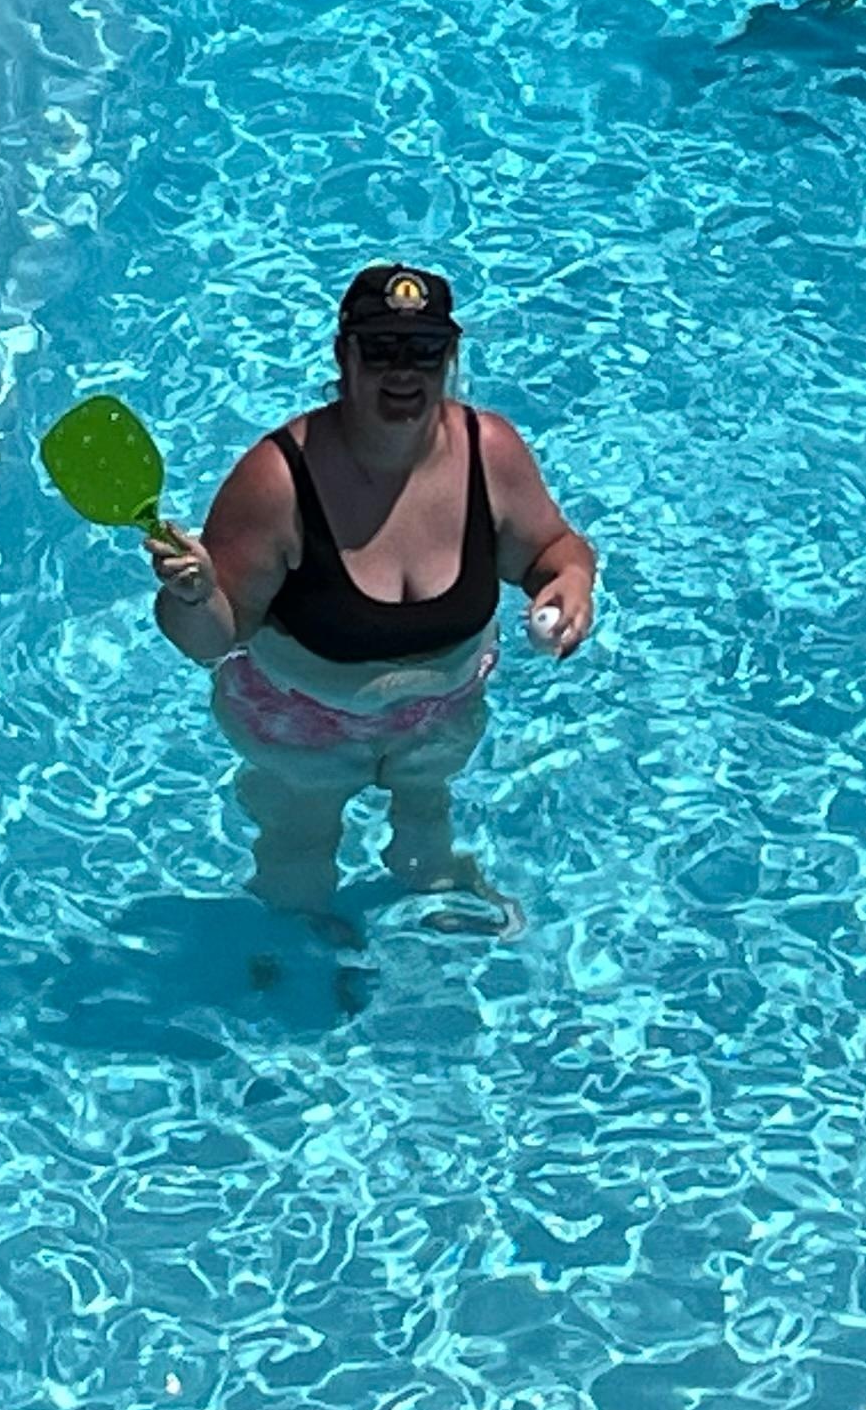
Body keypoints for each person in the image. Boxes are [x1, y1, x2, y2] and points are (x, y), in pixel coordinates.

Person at [144, 264, 596, 939]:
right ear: (343, 353)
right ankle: (294, 958)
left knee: (427, 830)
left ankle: (431, 885)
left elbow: (552, 548)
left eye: (423, 351)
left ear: (450, 355)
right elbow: (214, 637)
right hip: (303, 729)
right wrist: (192, 594)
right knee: (298, 856)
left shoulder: (489, 452)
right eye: (380, 349)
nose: (403, 371)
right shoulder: (277, 480)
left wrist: (571, 581)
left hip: (439, 714)